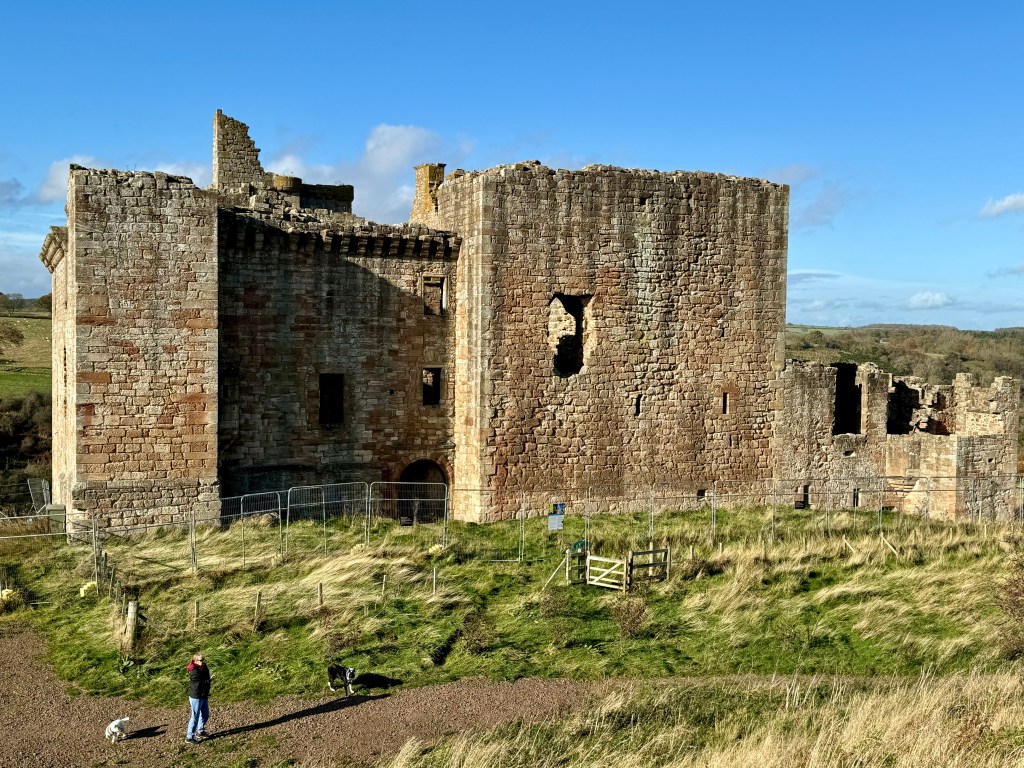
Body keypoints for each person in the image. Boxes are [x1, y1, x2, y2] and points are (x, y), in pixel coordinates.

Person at [185, 652, 212, 744]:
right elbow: (198, 684)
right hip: (196, 696)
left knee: (205, 714)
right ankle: (189, 736)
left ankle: (200, 731)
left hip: (203, 694)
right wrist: (209, 681)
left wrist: (207, 681)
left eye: (203, 659)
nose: (203, 661)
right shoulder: (193, 671)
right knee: (195, 716)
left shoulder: (204, 666)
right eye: (201, 660)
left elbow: (205, 678)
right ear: (195, 660)